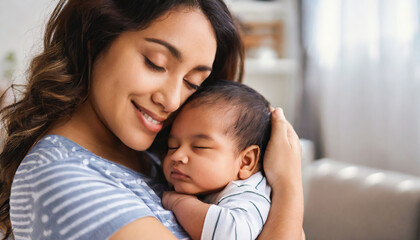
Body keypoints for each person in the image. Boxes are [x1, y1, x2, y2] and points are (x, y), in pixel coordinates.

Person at [0, 0, 304, 239]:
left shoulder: (157, 161)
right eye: (155, 63)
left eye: (192, 83)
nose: (171, 100)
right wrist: (289, 186)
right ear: (93, 38)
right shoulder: (62, 178)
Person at [161, 80, 272, 240]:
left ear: (246, 161)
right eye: (172, 146)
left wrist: (179, 202)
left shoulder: (248, 193)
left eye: (199, 147)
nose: (176, 156)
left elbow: (230, 234)